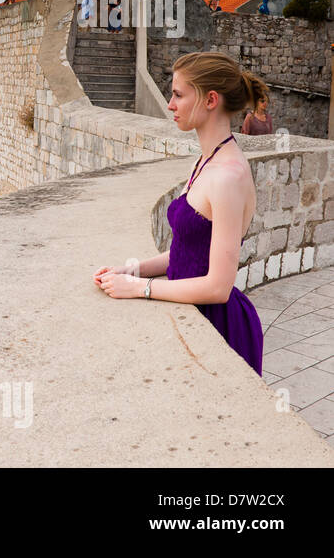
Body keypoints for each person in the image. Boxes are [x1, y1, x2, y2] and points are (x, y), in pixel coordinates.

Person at [93, 52, 268, 376]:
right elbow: (187, 252)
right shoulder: (204, 162)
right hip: (193, 317)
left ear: (210, 99)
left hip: (219, 329)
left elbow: (218, 286)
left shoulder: (228, 176)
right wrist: (134, 270)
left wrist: (140, 289)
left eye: (178, 94)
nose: (170, 104)